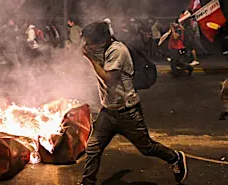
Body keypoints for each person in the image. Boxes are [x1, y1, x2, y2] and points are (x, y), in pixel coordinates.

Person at [80, 22, 187, 185]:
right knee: (93, 148)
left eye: (89, 43)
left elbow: (109, 80)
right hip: (108, 112)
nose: (87, 46)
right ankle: (87, 182)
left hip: (127, 112)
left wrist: (90, 59)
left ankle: (175, 158)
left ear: (101, 41)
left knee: (147, 148)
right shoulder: (102, 49)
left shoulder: (117, 51)